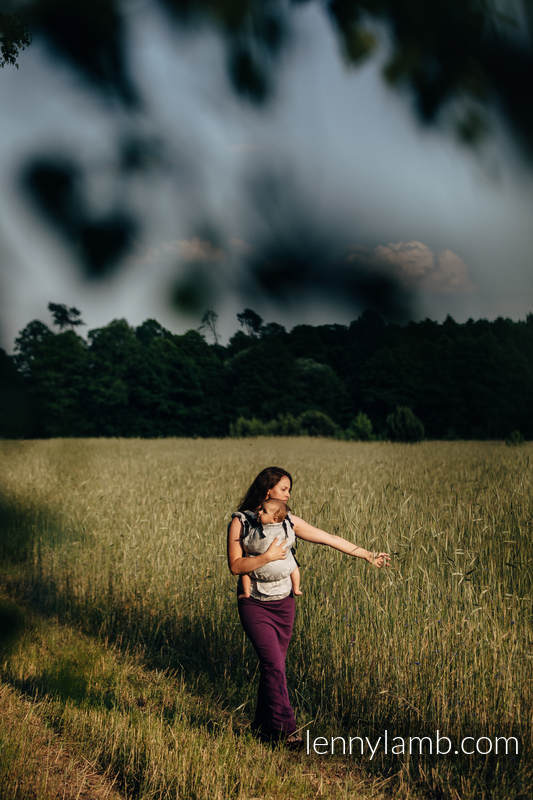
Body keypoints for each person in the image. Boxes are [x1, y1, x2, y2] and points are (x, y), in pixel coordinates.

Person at [227, 466, 390, 747]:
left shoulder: (288, 521)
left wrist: (367, 554)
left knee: (273, 667)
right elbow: (235, 565)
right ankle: (288, 731)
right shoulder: (241, 522)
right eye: (284, 489)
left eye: (289, 489)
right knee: (273, 664)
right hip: (255, 604)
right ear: (268, 490)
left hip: (284, 605)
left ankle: (261, 728)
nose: (289, 494)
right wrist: (266, 557)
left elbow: (328, 538)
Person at [237, 497, 302, 600]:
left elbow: (251, 545)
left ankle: (246, 592)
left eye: (264, 511)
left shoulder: (260, 532)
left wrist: (245, 543)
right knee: (294, 565)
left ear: (275, 518)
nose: (259, 512)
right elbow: (291, 539)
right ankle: (296, 588)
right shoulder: (286, 527)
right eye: (260, 509)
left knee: (245, 570)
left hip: (261, 570)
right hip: (284, 568)